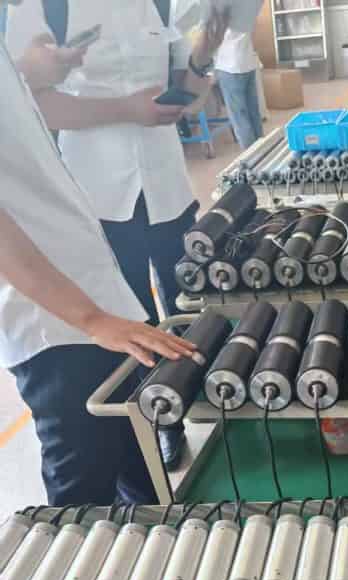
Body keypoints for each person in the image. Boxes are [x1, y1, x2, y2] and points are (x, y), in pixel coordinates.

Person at [7, 1, 228, 466]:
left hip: (167, 187)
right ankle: (159, 422)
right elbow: (32, 106)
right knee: (129, 332)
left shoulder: (160, 5)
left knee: (191, 306)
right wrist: (126, 109)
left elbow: (184, 95)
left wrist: (202, 55)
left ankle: (212, 400)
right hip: (99, 198)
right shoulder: (47, 8)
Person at [215, 2, 264, 150]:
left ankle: (251, 157)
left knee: (239, 117)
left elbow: (211, 37)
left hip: (228, 66)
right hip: (247, 62)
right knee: (253, 113)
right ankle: (262, 151)